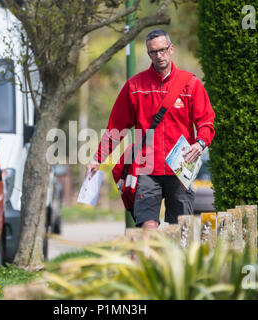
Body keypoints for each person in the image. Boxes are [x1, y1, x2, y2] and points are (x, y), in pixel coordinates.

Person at [86, 29, 215, 230]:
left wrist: (200, 143)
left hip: (180, 167)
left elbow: (206, 121)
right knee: (147, 226)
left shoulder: (190, 84)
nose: (159, 55)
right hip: (146, 168)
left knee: (180, 229)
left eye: (163, 50)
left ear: (171, 49)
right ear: (148, 53)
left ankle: (173, 261)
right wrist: (98, 158)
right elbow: (115, 128)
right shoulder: (135, 86)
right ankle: (149, 261)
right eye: (153, 52)